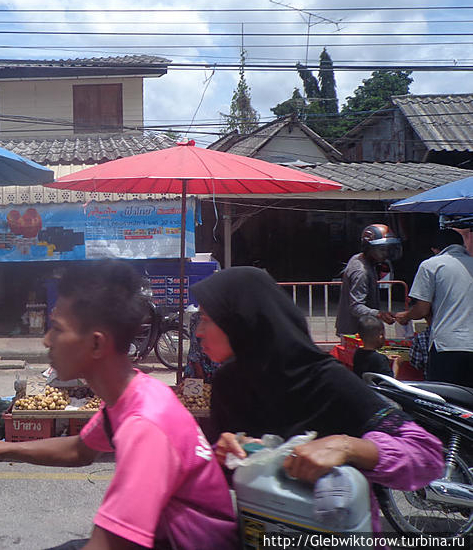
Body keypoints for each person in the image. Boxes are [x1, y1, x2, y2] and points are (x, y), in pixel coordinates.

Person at [0, 260, 238, 550]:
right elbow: (81, 448)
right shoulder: (132, 395)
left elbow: (109, 544)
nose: (46, 340)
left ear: (97, 345)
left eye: (57, 329)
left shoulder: (145, 426)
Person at [193, 267, 443, 534]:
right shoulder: (227, 382)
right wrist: (224, 455)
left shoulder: (326, 379)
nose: (198, 331)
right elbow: (220, 483)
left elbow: (426, 455)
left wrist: (347, 447)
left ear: (242, 322)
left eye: (207, 319)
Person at [395, 228, 473, 387]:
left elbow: (422, 309)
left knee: (445, 400)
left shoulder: (431, 265)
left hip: (447, 346)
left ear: (436, 249)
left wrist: (406, 316)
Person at [335, 224, 401, 336]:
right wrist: (379, 314)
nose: (385, 254)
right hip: (354, 332)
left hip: (361, 330)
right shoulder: (361, 271)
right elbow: (356, 307)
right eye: (381, 249)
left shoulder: (361, 259)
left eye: (387, 249)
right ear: (368, 248)